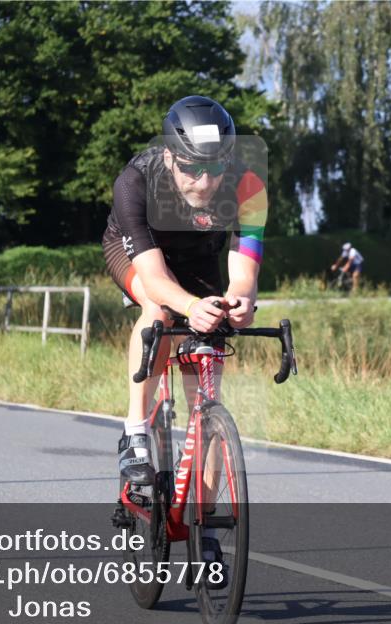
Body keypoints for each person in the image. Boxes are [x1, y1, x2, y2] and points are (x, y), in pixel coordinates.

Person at [101, 96, 267, 576]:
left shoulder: (249, 186)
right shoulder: (134, 183)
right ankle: (135, 433)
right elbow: (154, 278)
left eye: (215, 169)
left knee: (207, 394)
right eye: (192, 169)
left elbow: (244, 271)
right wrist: (190, 307)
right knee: (158, 310)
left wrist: (239, 301)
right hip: (140, 255)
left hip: (199, 258)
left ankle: (206, 530)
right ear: (170, 156)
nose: (205, 182)